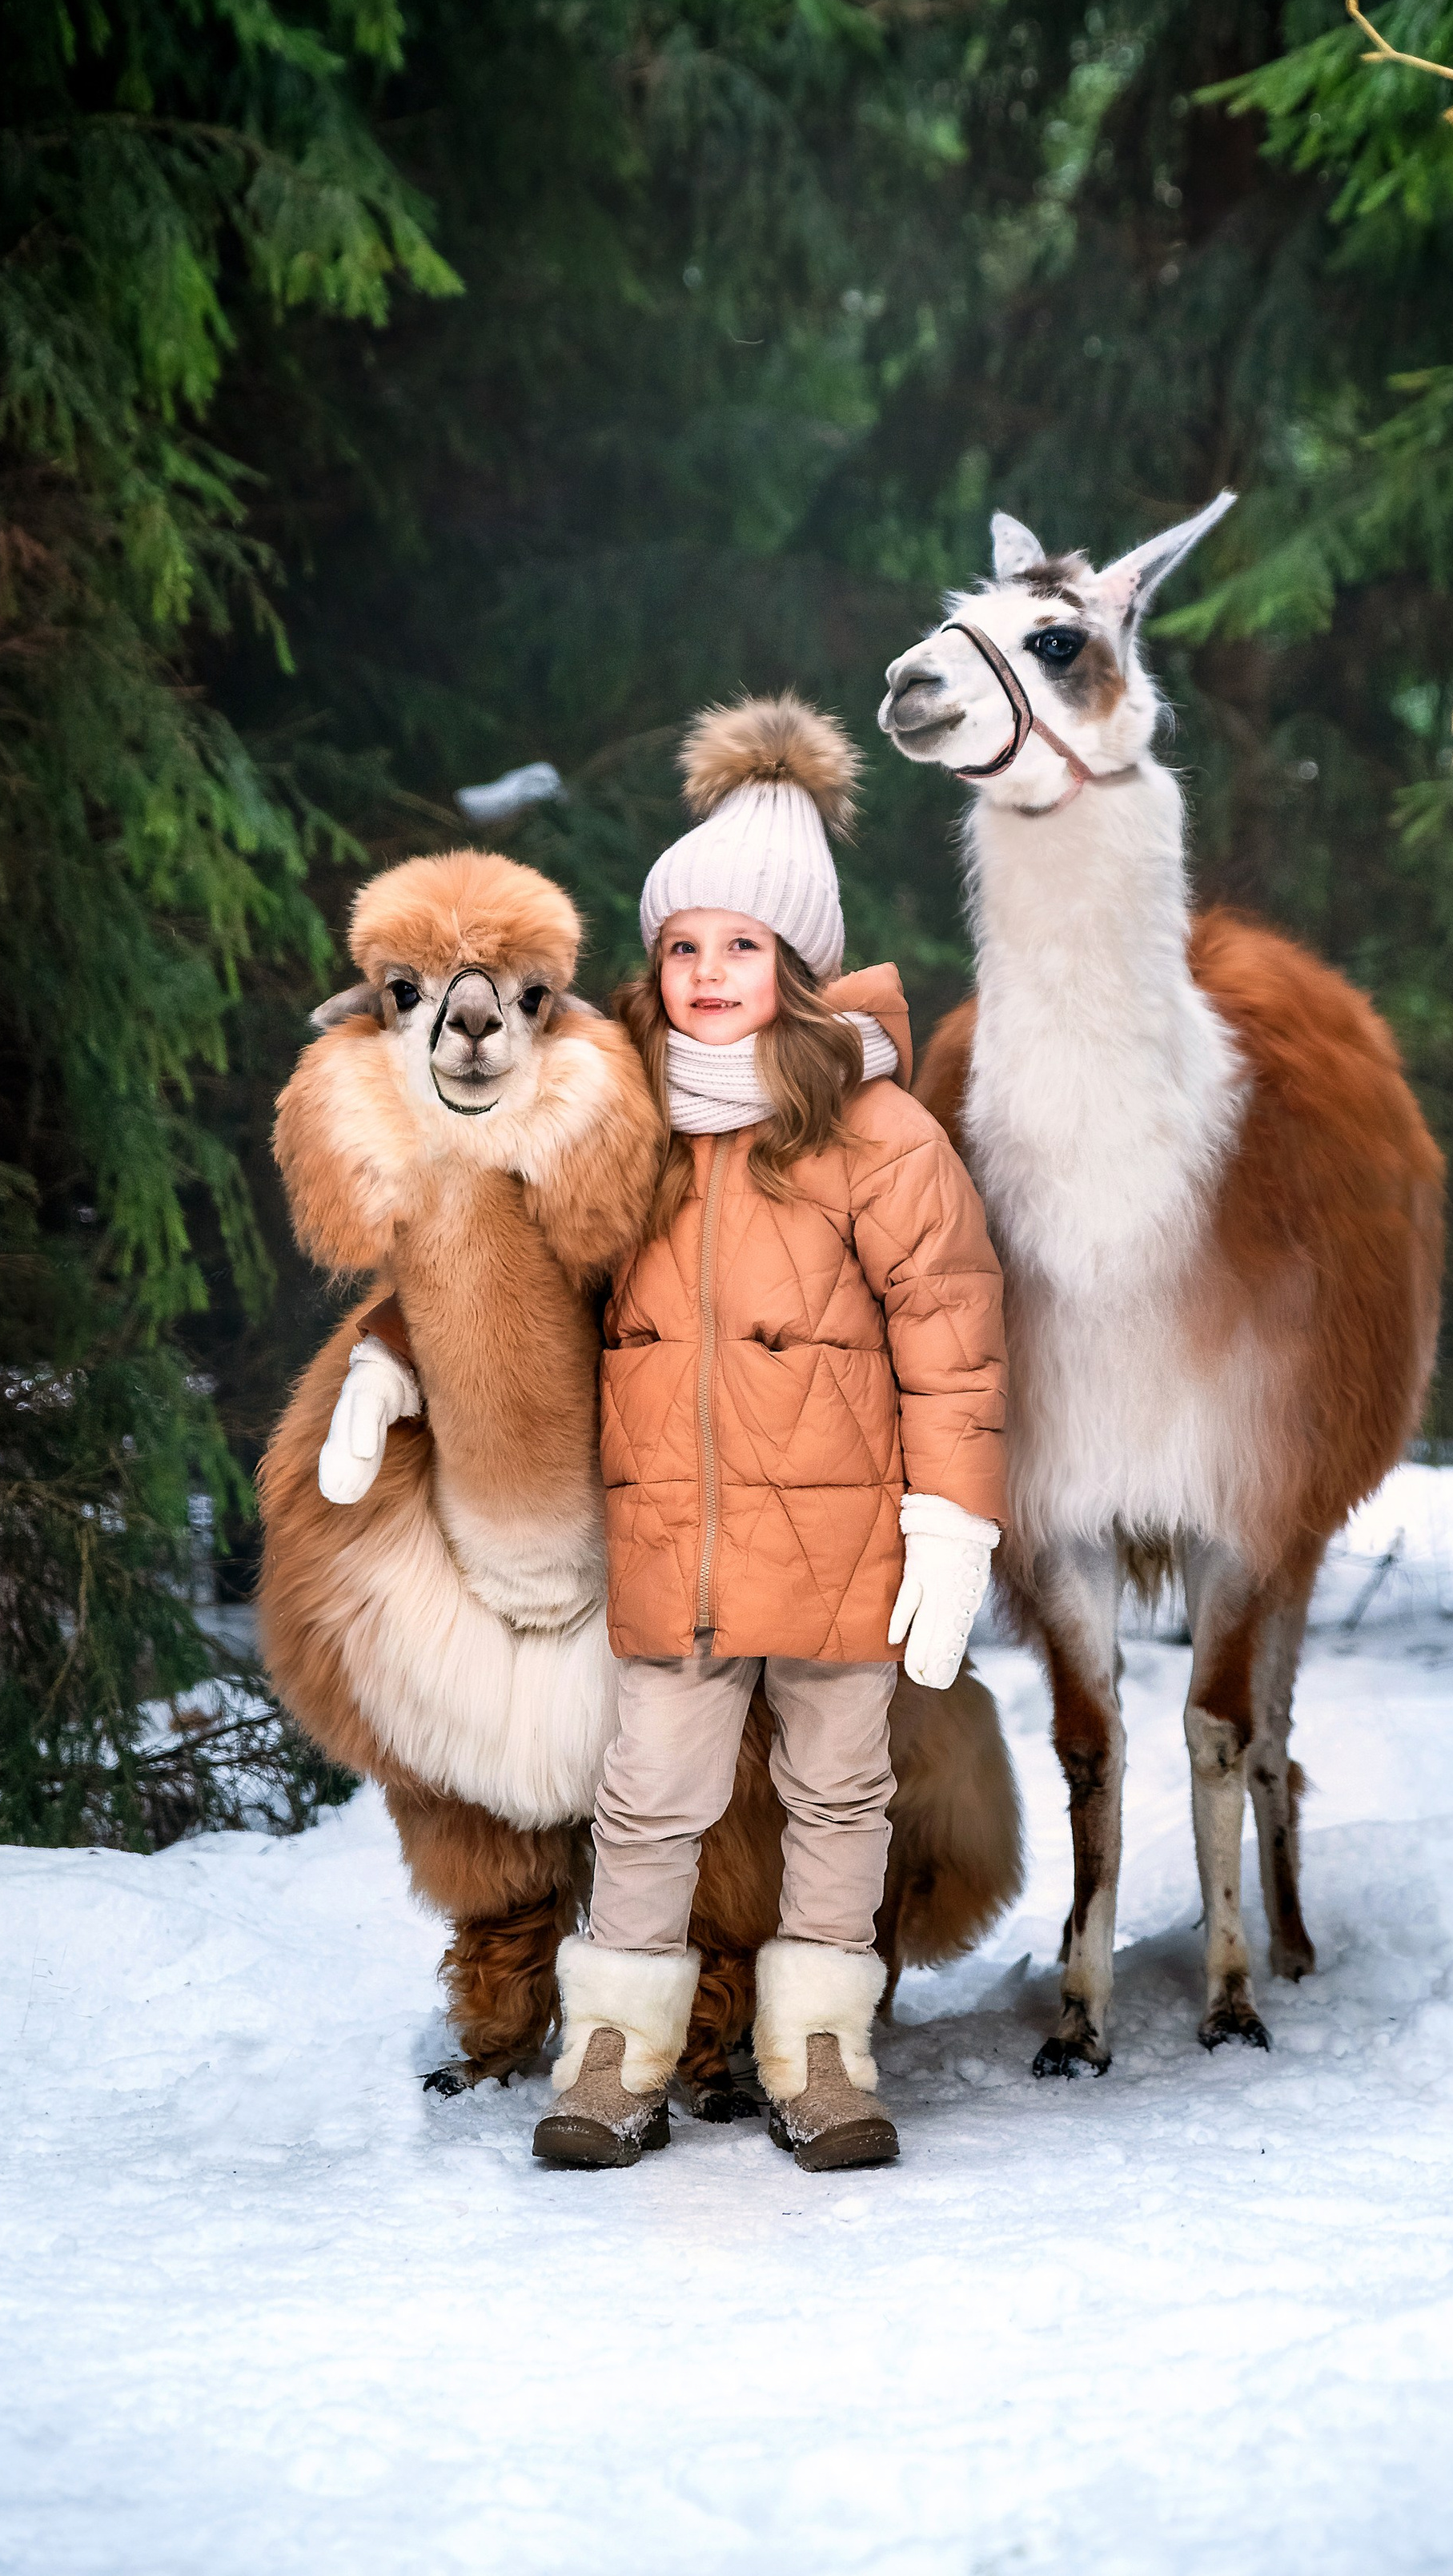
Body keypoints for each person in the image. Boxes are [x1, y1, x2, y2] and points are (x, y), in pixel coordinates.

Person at [531, 695, 1006, 2174]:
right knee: (651, 1794)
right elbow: (545, 1279)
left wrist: (954, 1517)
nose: (710, 974)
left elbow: (954, 1329)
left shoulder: (874, 1129)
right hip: (676, 1536)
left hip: (850, 1537)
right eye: (685, 946)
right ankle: (618, 2049)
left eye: (744, 946)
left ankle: (820, 2046)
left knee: (837, 1789)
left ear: (796, 965)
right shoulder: (623, 1116)